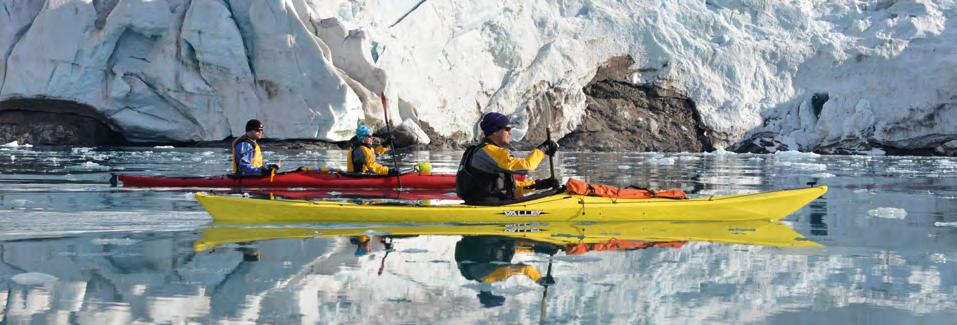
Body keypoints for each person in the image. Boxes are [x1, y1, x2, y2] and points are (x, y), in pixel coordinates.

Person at [456, 112, 560, 204]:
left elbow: (510, 186)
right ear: (494, 131)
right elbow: (527, 166)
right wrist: (543, 149)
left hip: (490, 203)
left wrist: (540, 185)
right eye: (507, 129)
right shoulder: (490, 151)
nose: (510, 133)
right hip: (491, 205)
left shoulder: (486, 151)